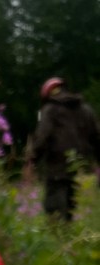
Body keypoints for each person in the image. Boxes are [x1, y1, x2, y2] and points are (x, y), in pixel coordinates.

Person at [32, 77, 100, 221]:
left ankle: (58, 242)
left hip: (56, 171)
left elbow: (41, 138)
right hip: (79, 170)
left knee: (55, 216)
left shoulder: (50, 110)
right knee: (71, 214)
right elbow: (97, 139)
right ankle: (71, 241)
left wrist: (32, 161)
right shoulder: (86, 110)